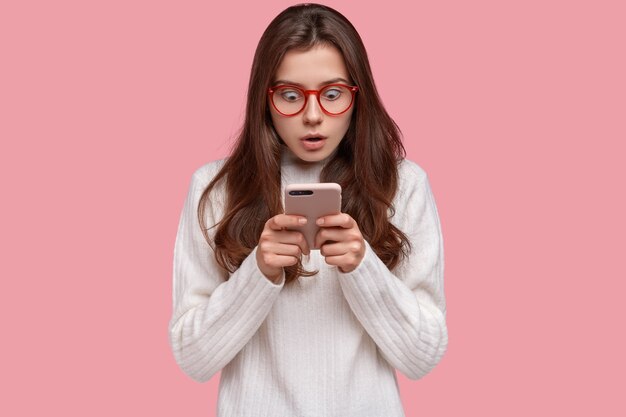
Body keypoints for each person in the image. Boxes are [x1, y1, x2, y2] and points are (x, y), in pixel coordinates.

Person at [168, 3, 448, 416]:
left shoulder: (403, 186)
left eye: (332, 94)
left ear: (357, 95)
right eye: (291, 95)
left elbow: (423, 357)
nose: (313, 116)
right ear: (265, 97)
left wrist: (363, 268)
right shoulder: (216, 190)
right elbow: (192, 359)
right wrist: (257, 274)